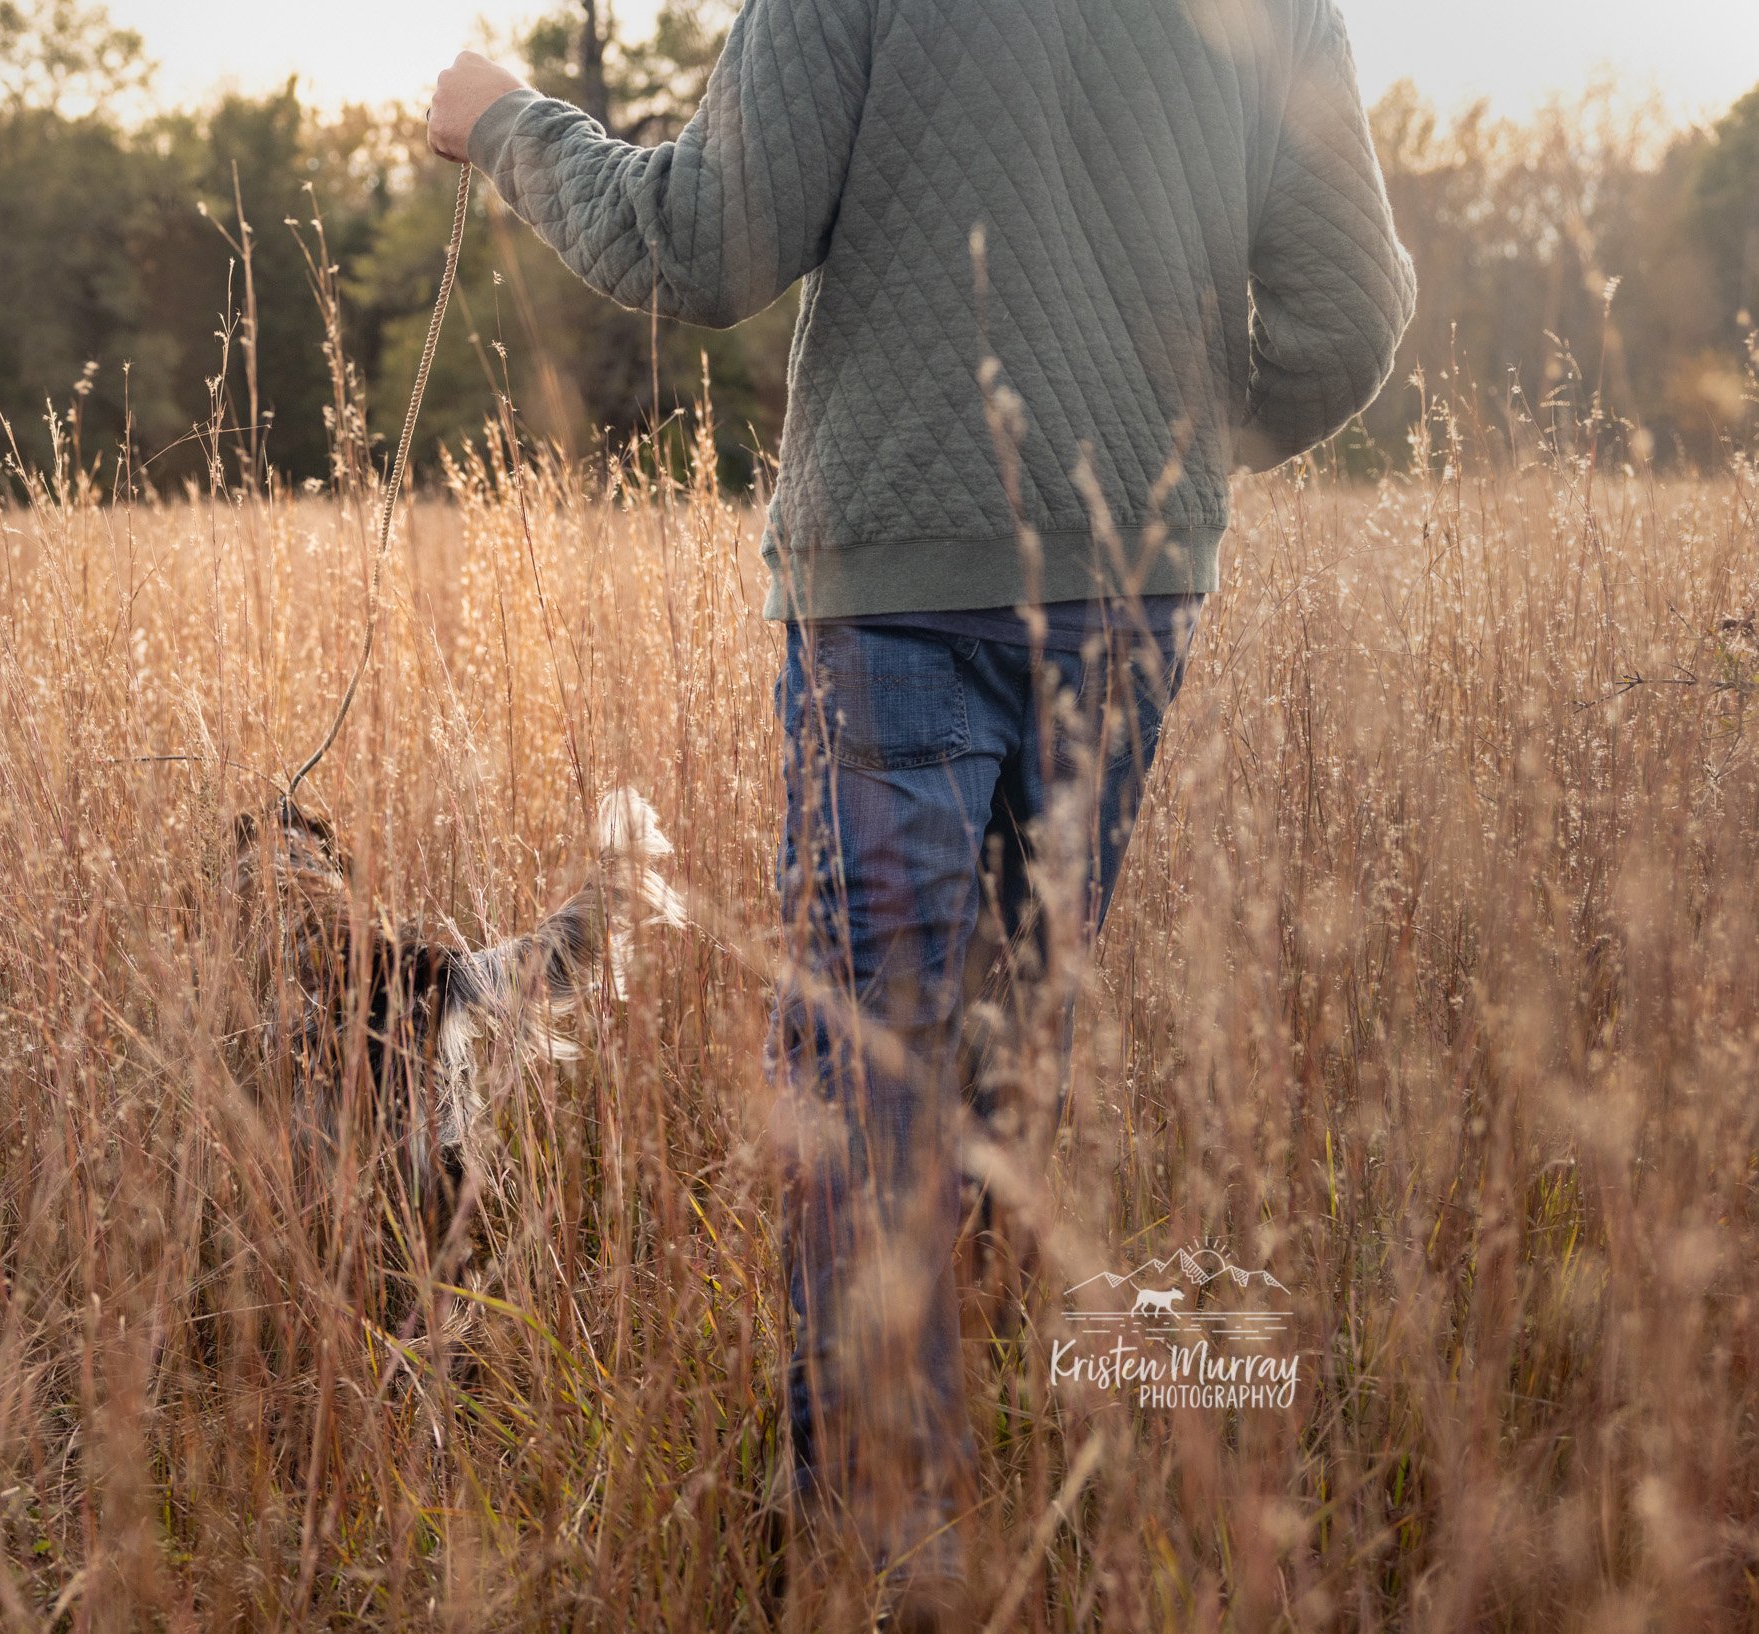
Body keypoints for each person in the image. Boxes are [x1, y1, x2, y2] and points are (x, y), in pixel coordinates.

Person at [428, 0, 1415, 1615]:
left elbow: (701, 242)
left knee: (875, 1067)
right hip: (1134, 586)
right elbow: (1348, 319)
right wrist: (1161, 450)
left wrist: (502, 123)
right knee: (1009, 1037)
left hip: (895, 593)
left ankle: (889, 1522)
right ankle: (932, 1468)